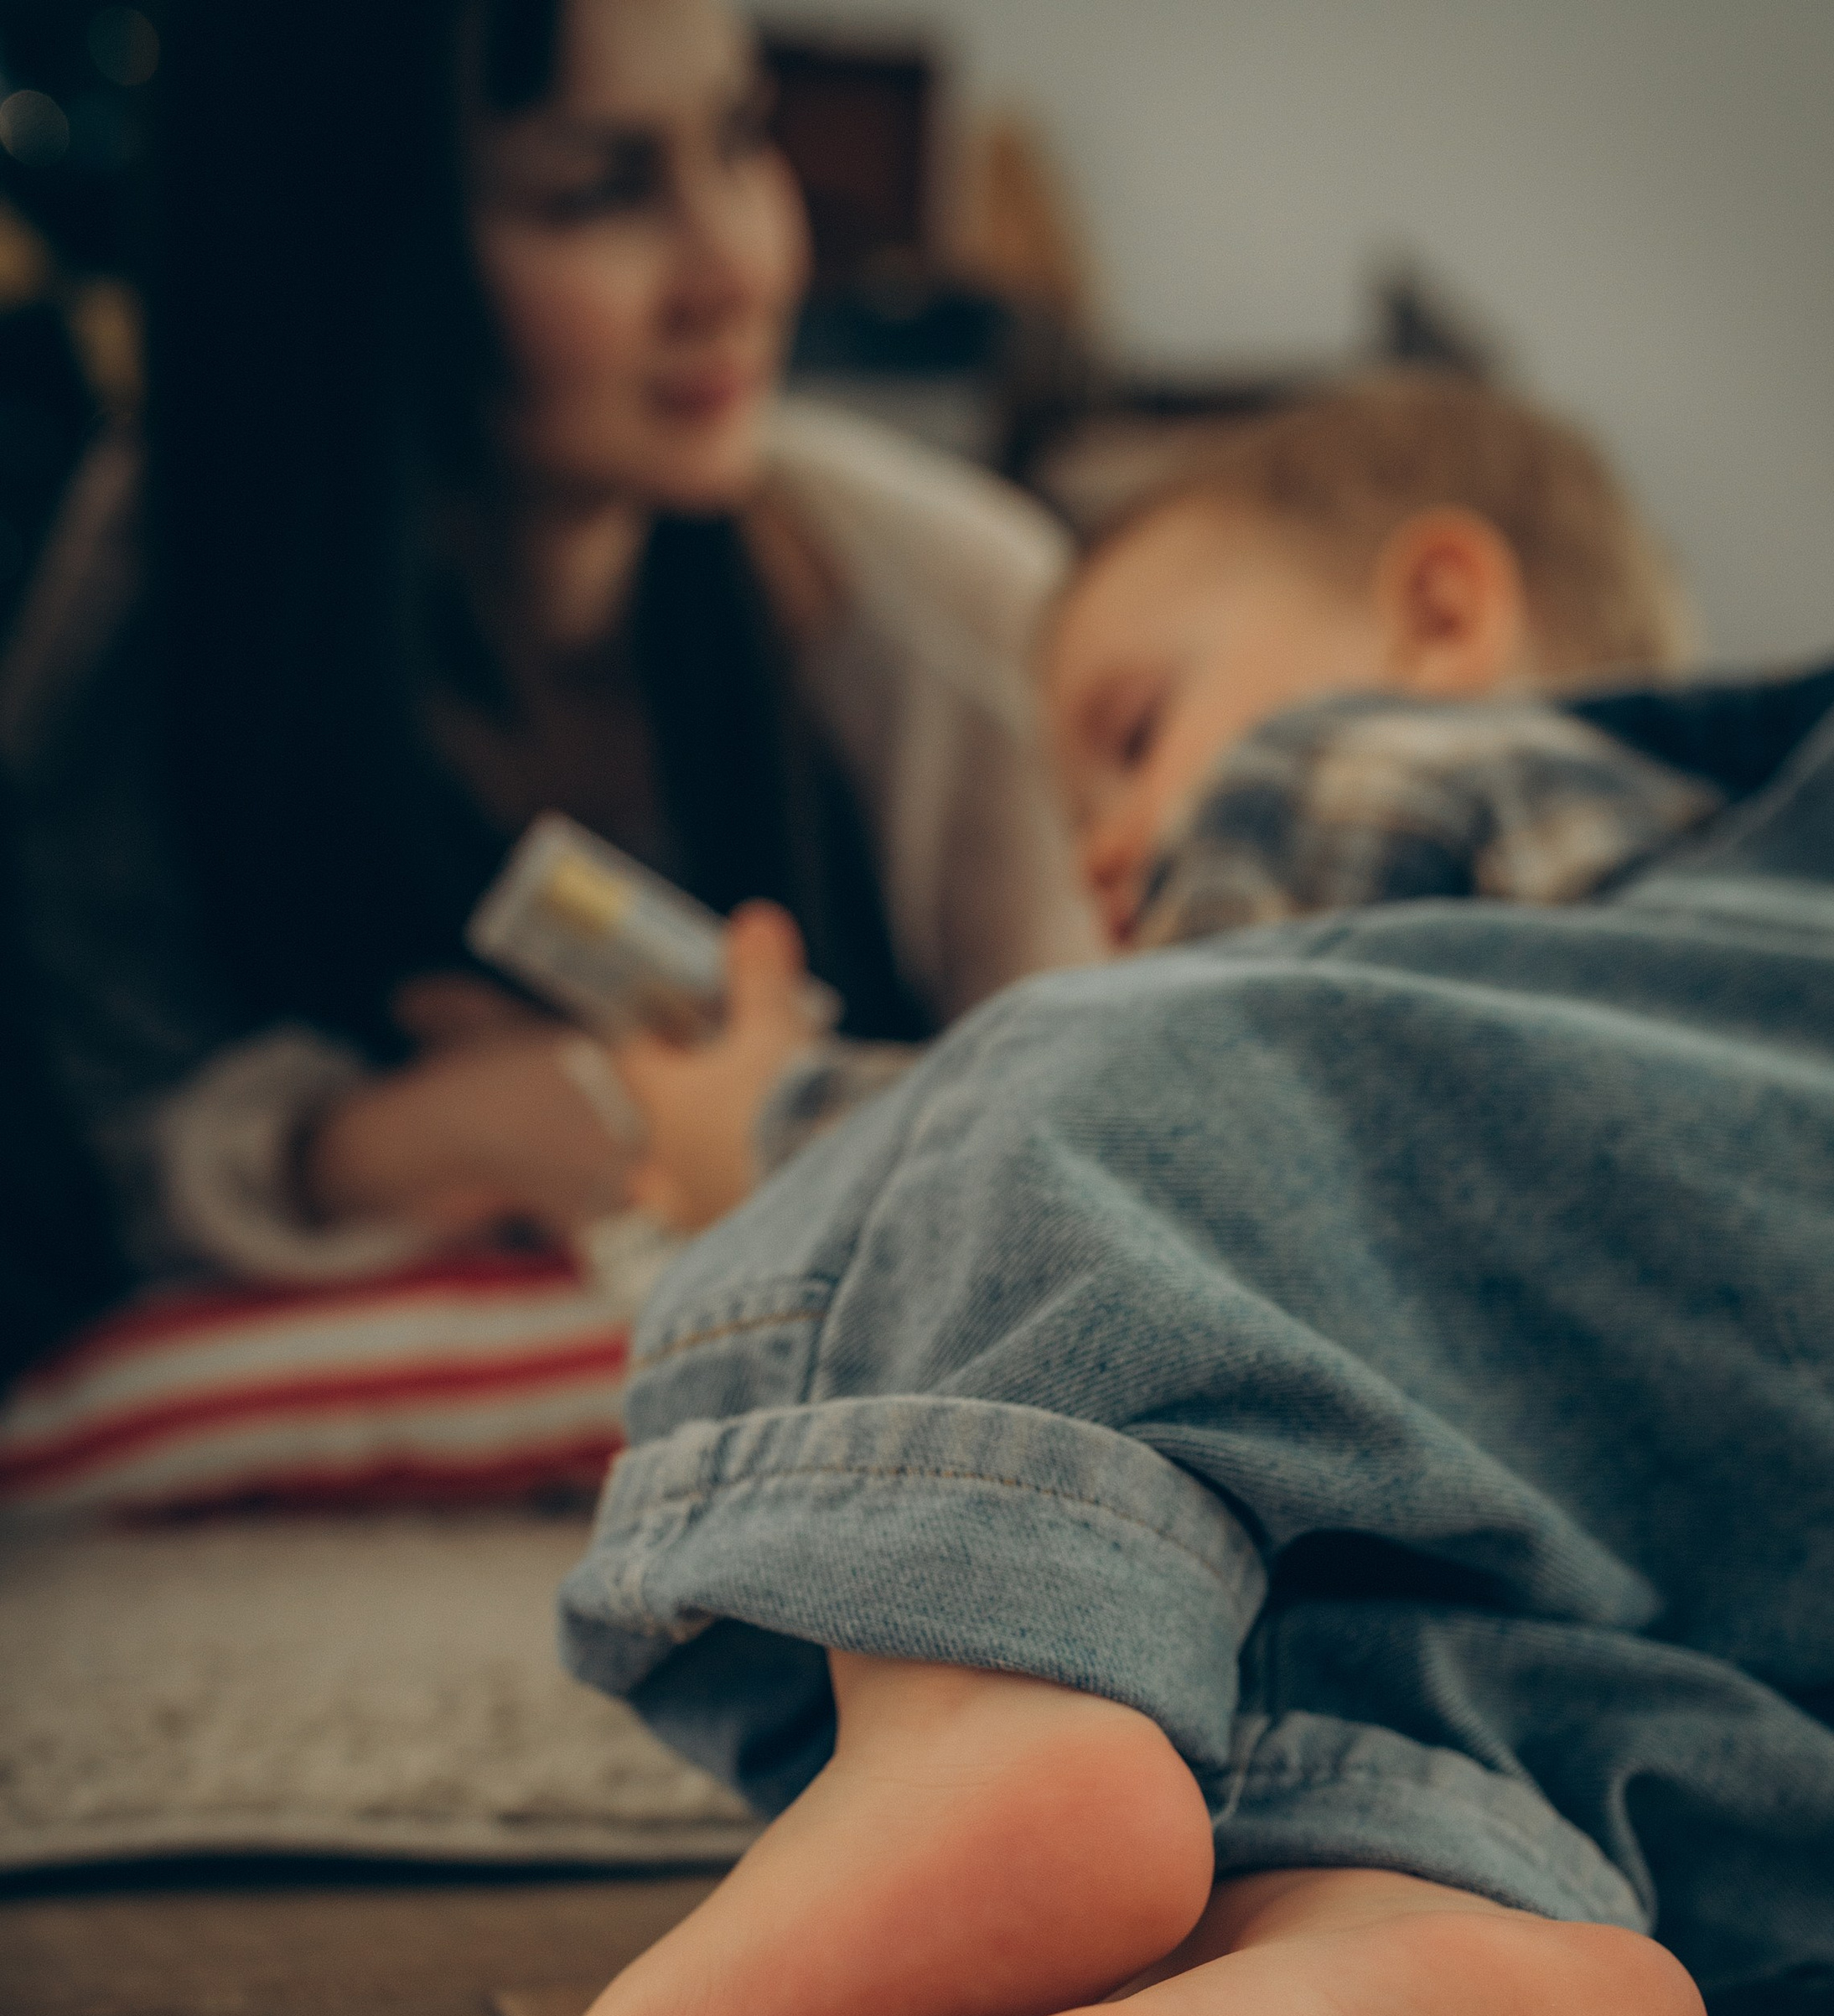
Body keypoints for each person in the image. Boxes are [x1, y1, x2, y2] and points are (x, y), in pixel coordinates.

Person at [443, 372, 1834, 2016]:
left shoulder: (1406, 781)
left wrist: (761, 1126)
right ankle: (1402, 1938)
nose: (1105, 849)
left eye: (1133, 733)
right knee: (1350, 1621)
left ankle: (981, 1709)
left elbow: (1157, 1090)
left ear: (1439, 610)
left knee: (1048, 1098)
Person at [0, 0, 1089, 1304]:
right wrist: (358, 1151)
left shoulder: (958, 608)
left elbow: (1090, 1149)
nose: (738, 263)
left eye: (744, 137)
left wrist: (775, 1128)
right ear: (348, 237)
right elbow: (98, 1113)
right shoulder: (148, 583)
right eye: (599, 190)